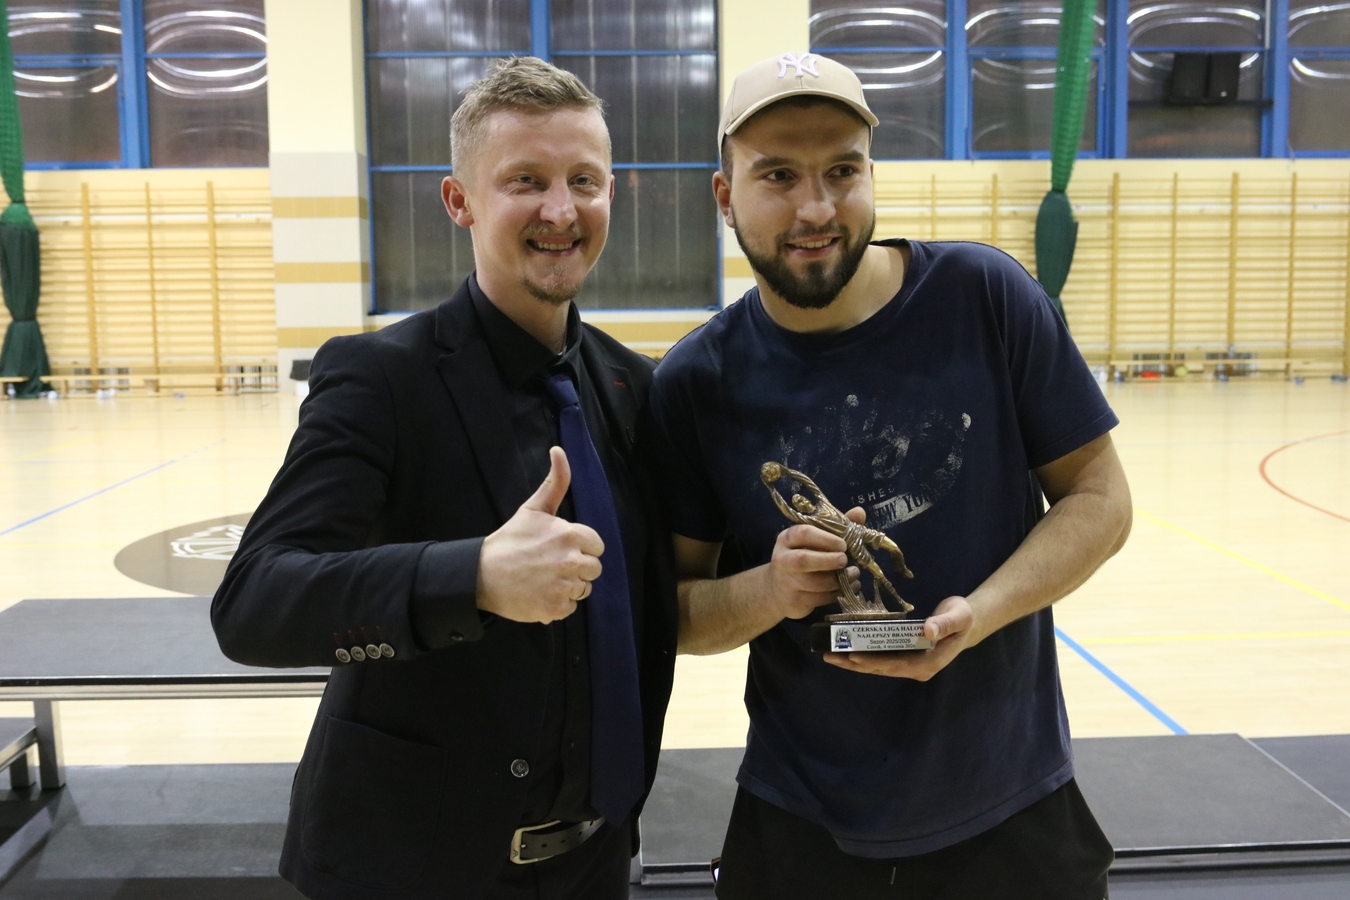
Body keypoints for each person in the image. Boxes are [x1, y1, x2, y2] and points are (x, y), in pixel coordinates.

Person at [641, 52, 1132, 900]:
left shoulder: (986, 297)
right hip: (802, 816)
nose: (816, 208)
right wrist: (770, 590)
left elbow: (1102, 500)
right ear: (724, 196)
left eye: (842, 171)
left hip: (1011, 801)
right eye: (778, 175)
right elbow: (674, 615)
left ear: (872, 174)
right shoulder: (695, 381)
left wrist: (979, 616)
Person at [212, 57, 677, 900]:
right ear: (459, 200)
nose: (561, 210)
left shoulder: (632, 388)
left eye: (583, 180)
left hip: (596, 861)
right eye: (525, 181)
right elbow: (254, 603)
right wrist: (473, 577)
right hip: (412, 866)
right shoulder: (381, 378)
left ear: (613, 193)